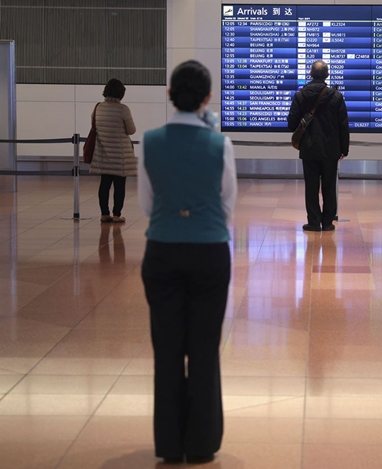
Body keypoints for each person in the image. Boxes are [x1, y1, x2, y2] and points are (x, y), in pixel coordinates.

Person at [138, 60, 237, 465]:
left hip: (161, 252)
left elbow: (147, 203)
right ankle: (200, 443)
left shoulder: (150, 140)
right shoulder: (220, 144)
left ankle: (169, 444)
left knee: (167, 348)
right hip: (209, 253)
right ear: (207, 98)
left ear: (169, 95)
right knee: (203, 347)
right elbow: (227, 204)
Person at [287, 60, 349, 232]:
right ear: (327, 75)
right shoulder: (336, 97)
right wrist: (344, 149)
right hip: (331, 149)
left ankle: (313, 222)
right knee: (329, 186)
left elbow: (292, 124)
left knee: (311, 186)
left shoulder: (300, 96)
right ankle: (328, 222)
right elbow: (343, 125)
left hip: (309, 148)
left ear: (310, 75)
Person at [89, 78, 136, 223]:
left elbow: (94, 126)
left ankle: (104, 213)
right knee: (119, 185)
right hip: (120, 154)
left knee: (104, 184)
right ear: (121, 94)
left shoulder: (98, 107)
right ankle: (117, 214)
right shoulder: (123, 109)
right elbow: (131, 130)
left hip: (104, 152)